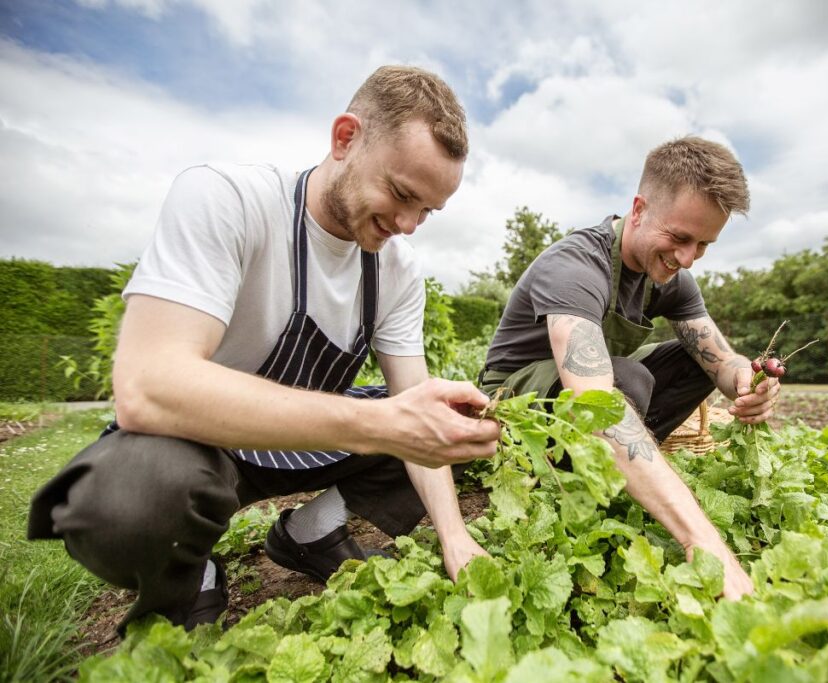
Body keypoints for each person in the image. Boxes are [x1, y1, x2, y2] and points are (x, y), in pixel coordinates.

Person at [27, 65, 501, 631]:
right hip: (200, 446)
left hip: (300, 442)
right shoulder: (229, 199)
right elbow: (147, 384)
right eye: (401, 193)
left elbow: (414, 399)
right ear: (345, 138)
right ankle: (192, 576)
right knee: (126, 504)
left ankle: (311, 533)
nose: (407, 223)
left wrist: (455, 540)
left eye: (427, 210)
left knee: (452, 426)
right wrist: (376, 424)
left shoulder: (396, 270)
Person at [479, 137, 779, 599]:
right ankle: (588, 475)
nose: (686, 257)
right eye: (679, 238)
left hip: (586, 392)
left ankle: (632, 467)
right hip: (510, 408)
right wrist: (702, 538)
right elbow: (596, 400)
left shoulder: (673, 278)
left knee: (693, 359)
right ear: (638, 210)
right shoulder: (576, 265)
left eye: (703, 245)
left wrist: (743, 379)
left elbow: (720, 356)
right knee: (627, 381)